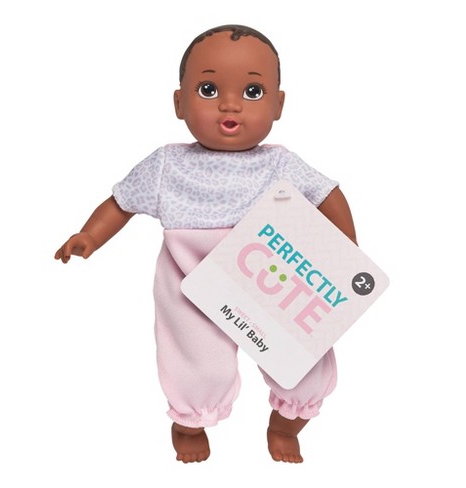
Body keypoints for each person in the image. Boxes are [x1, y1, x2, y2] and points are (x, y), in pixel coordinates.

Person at [55, 24, 357, 463]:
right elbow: (121, 203)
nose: (230, 104)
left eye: (252, 91)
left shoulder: (280, 163)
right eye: (209, 89)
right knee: (197, 365)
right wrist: (90, 235)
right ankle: (189, 423)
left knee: (303, 363)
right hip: (191, 280)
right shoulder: (168, 164)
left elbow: (326, 193)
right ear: (179, 102)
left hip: (273, 278)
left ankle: (285, 425)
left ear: (278, 105)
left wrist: (346, 248)